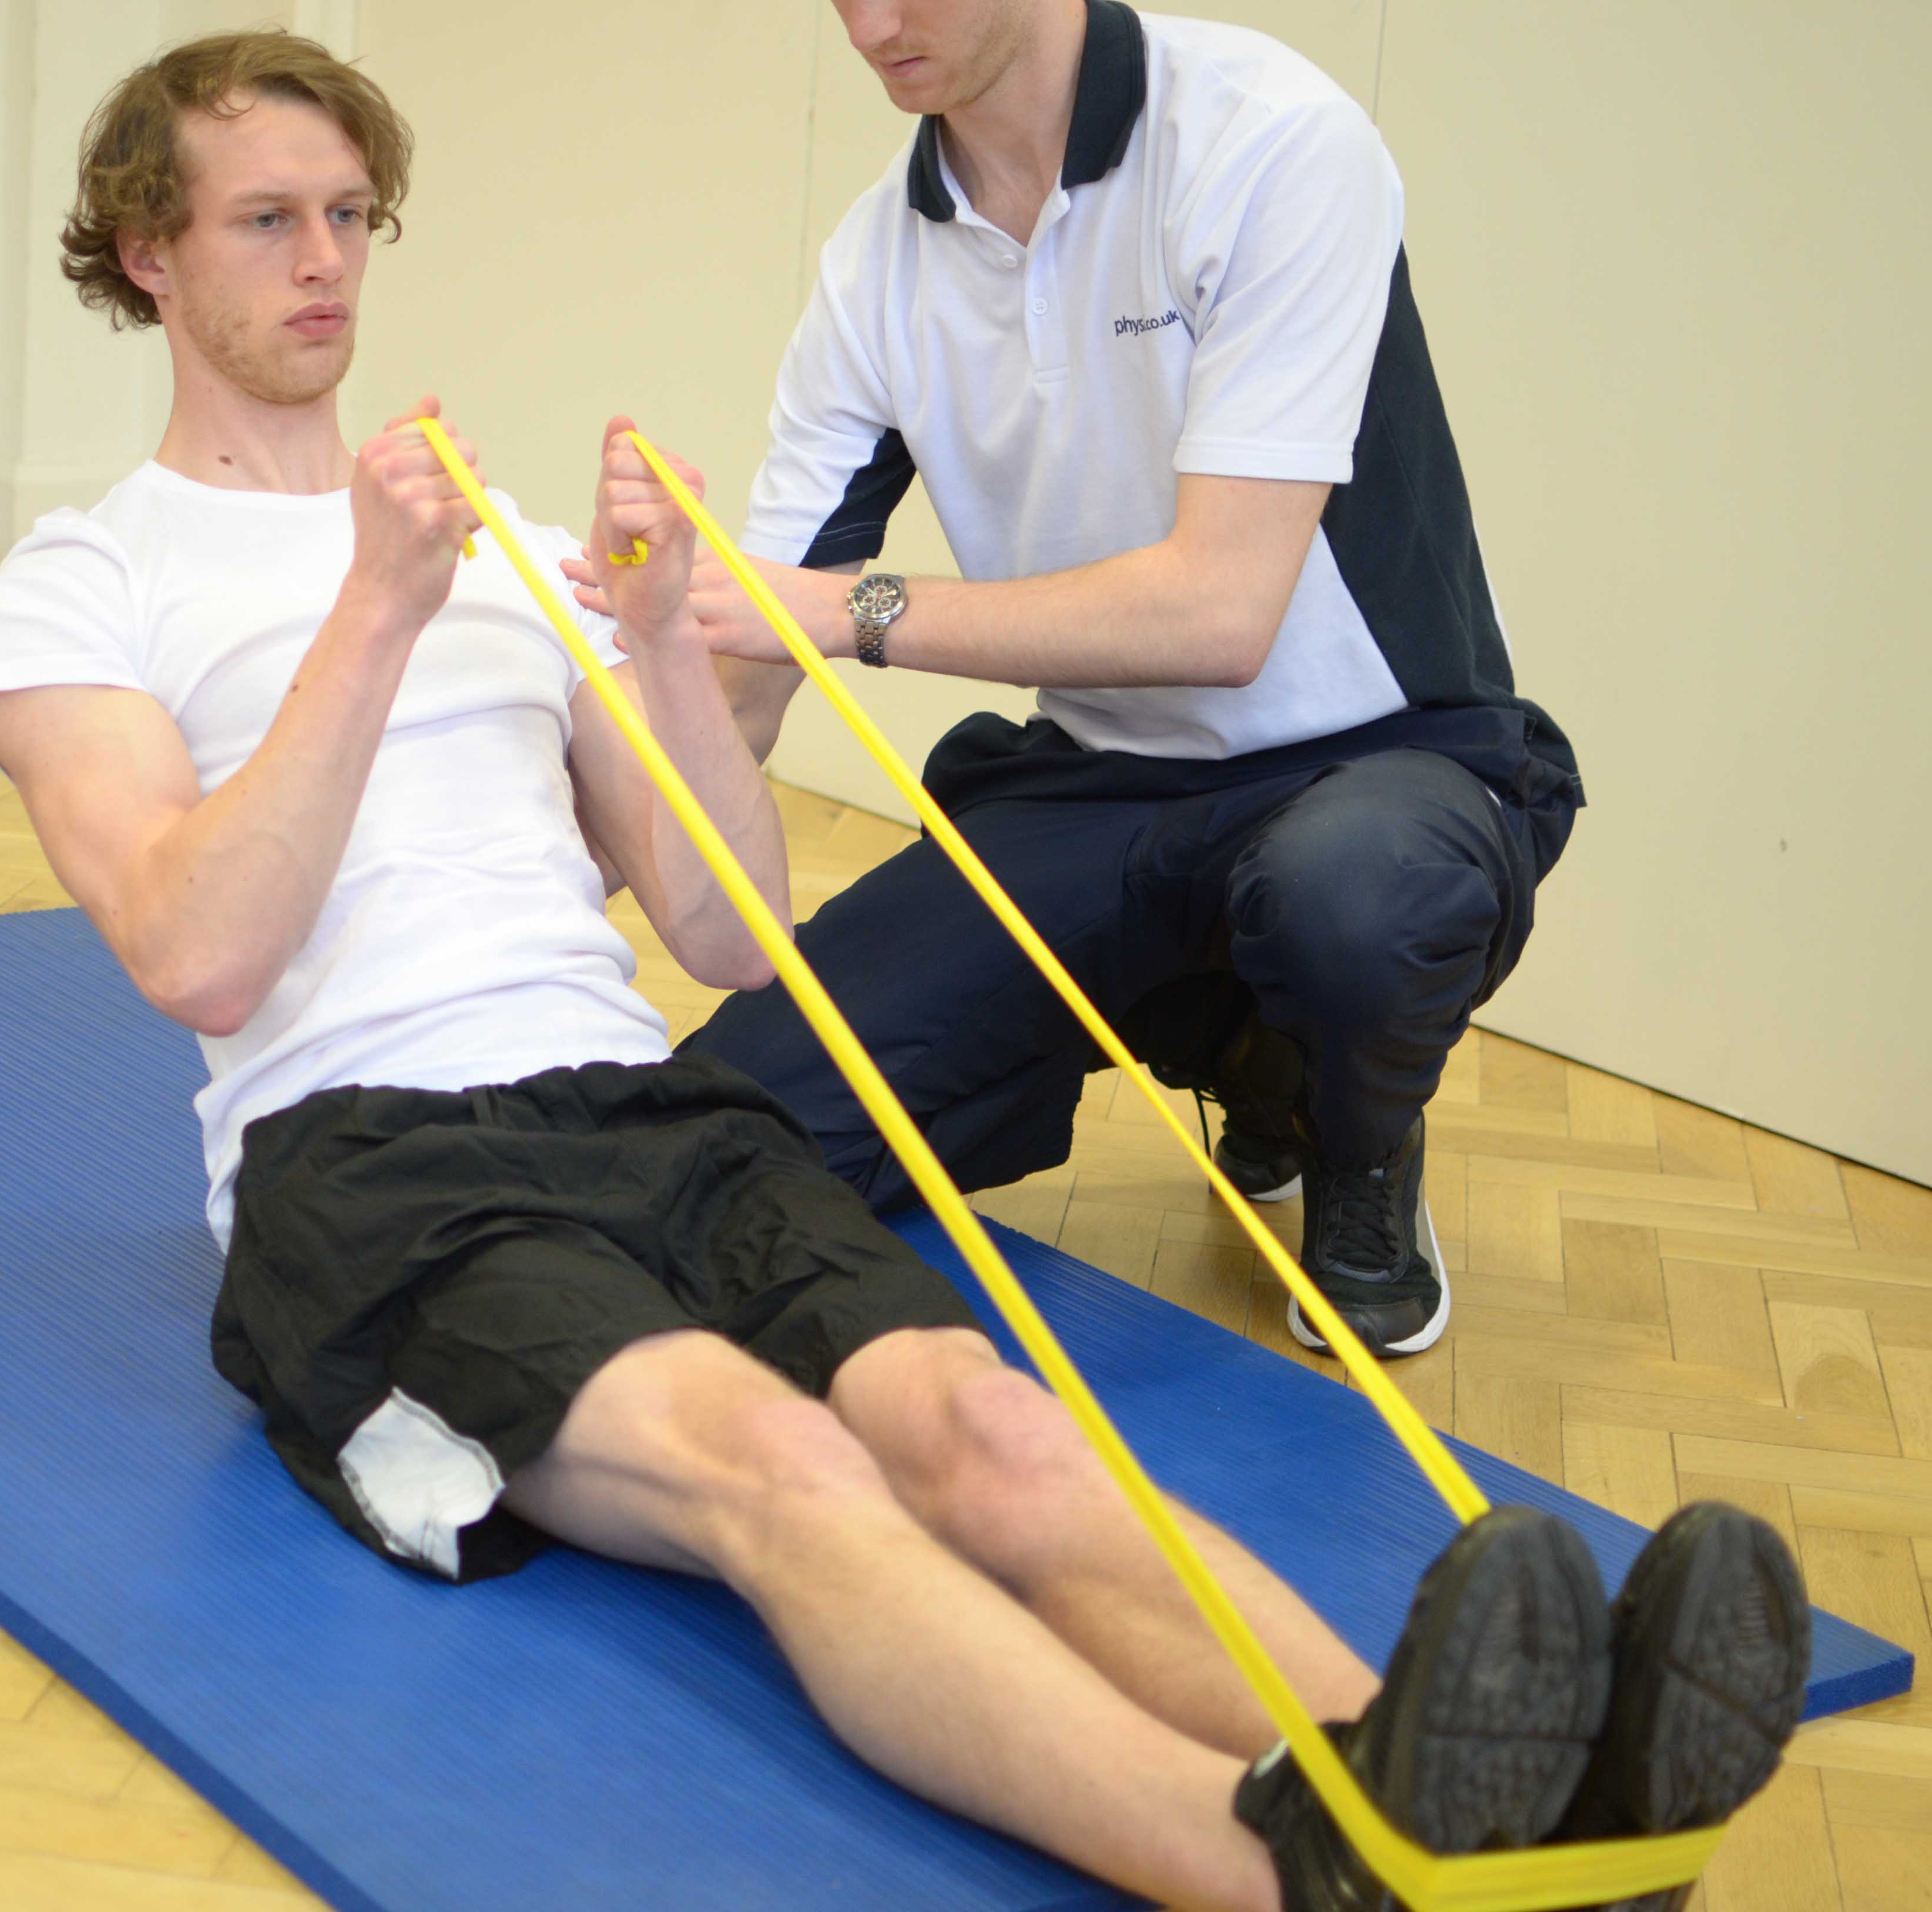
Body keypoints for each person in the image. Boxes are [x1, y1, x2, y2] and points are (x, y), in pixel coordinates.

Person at [0, 30, 1804, 1912]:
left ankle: (1513, 1816)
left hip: (637, 1105)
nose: (327, 258)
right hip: (370, 1164)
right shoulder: (80, 584)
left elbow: (721, 929)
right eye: (267, 220)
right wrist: (374, 608)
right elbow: (199, 950)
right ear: (146, 256)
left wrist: (664, 637)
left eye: (349, 213)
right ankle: (1316, 1881)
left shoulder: (494, 551)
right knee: (795, 1479)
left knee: (995, 1433)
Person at [630, 0, 1579, 1364]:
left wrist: (851, 612)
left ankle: (1352, 1141)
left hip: (1381, 762)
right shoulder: (871, 266)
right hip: (1096, 788)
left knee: (1351, 899)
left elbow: (1218, 614)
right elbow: (748, 666)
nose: (870, 22)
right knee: (721, 1132)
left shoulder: (1275, 142)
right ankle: (1251, 1046)